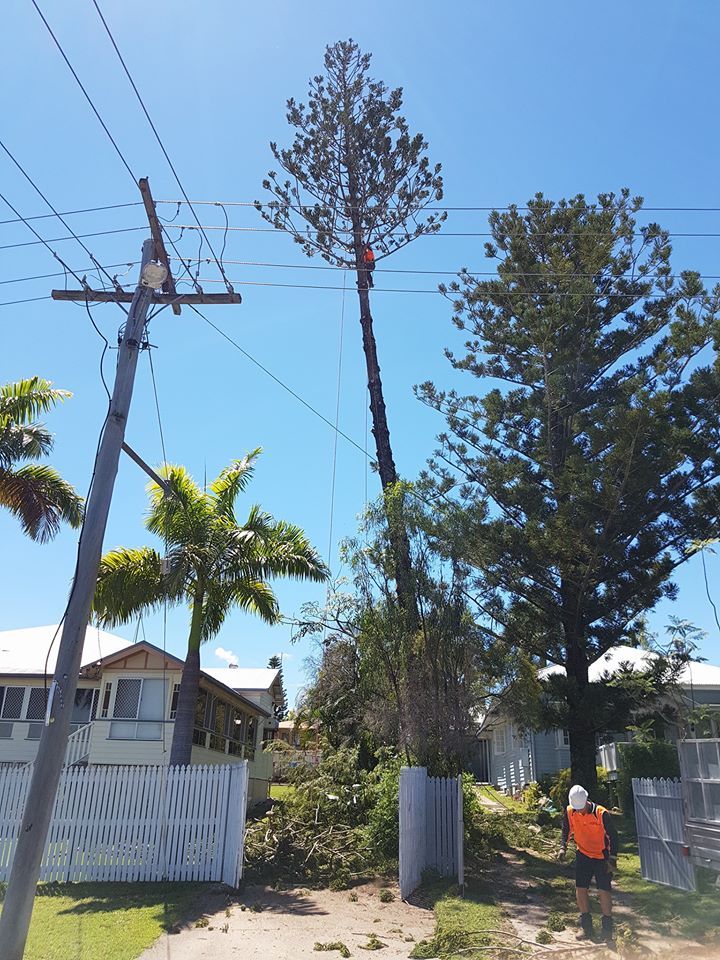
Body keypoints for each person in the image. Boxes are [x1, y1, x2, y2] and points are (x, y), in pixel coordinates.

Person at [558, 783, 618, 942]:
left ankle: (607, 931)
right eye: (576, 808)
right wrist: (562, 847)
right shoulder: (571, 811)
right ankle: (586, 927)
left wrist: (612, 858)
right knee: (580, 888)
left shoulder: (601, 813)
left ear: (586, 801)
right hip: (583, 854)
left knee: (604, 890)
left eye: (581, 807)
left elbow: (613, 836)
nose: (579, 811)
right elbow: (566, 830)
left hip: (602, 856)